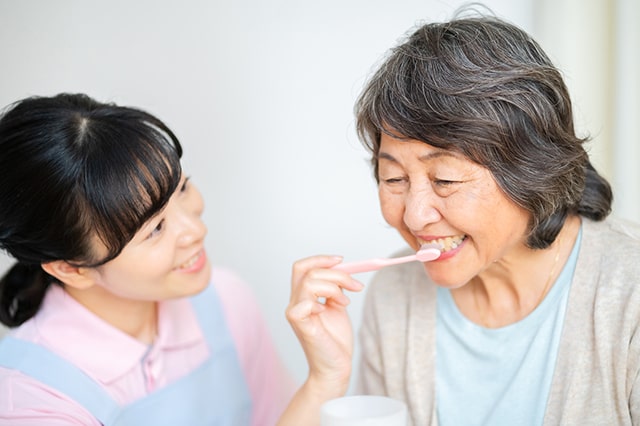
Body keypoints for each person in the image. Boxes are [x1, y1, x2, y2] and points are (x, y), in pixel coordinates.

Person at [289, 11, 640, 426]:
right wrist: (326, 378)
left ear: (531, 169)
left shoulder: (629, 298)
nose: (416, 216)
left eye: (445, 178)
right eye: (394, 177)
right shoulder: (394, 298)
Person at [0, 93, 355, 425]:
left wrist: (325, 379)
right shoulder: (30, 395)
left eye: (182, 188)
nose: (194, 230)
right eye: (155, 229)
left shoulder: (225, 300)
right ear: (71, 268)